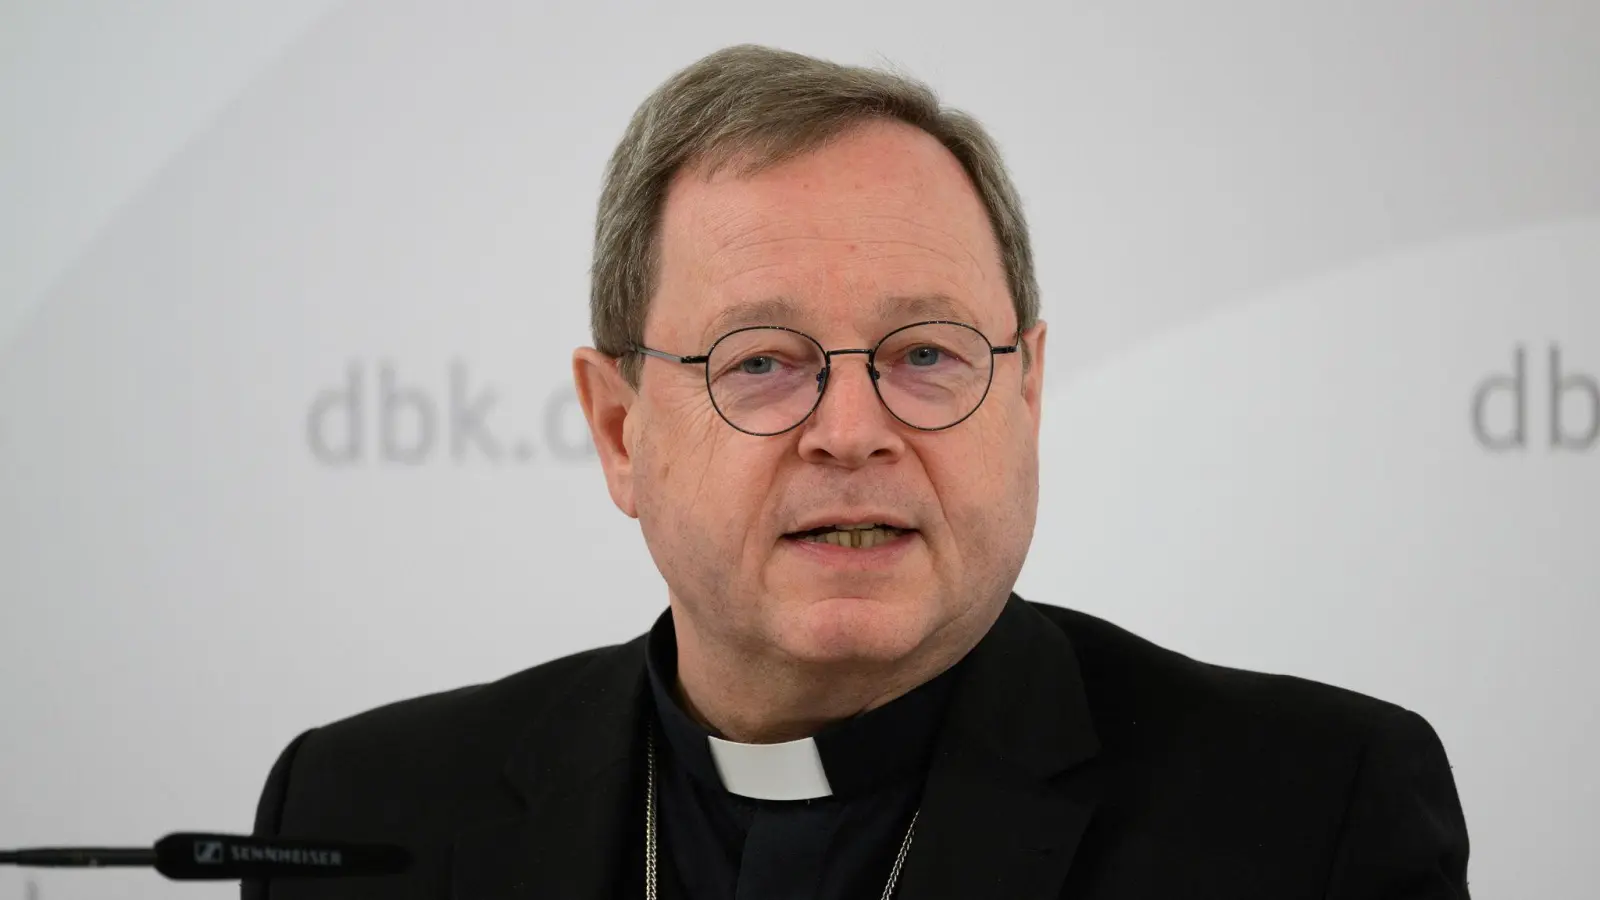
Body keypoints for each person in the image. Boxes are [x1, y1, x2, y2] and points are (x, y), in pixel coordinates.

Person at [244, 44, 1470, 899]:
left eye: (925, 355)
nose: (851, 429)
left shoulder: (1309, 813)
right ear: (621, 429)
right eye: (764, 362)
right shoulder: (361, 811)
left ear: (1026, 393)